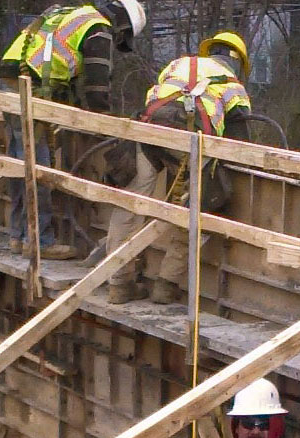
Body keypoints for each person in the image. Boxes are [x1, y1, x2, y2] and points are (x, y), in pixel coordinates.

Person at [104, 31, 252, 305]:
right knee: (199, 208)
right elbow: (240, 145)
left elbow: (163, 99)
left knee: (130, 203)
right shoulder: (234, 87)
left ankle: (119, 284)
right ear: (239, 64)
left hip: (149, 129)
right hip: (191, 139)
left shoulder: (178, 64)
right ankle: (166, 285)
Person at [0, 1, 149, 260]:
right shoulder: (98, 29)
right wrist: (101, 119)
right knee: (38, 169)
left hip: (10, 80)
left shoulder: (75, 15)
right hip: (30, 88)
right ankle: (39, 241)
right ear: (122, 25)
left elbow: (66, 71)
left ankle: (18, 236)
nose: (115, 43)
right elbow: (96, 85)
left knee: (19, 164)